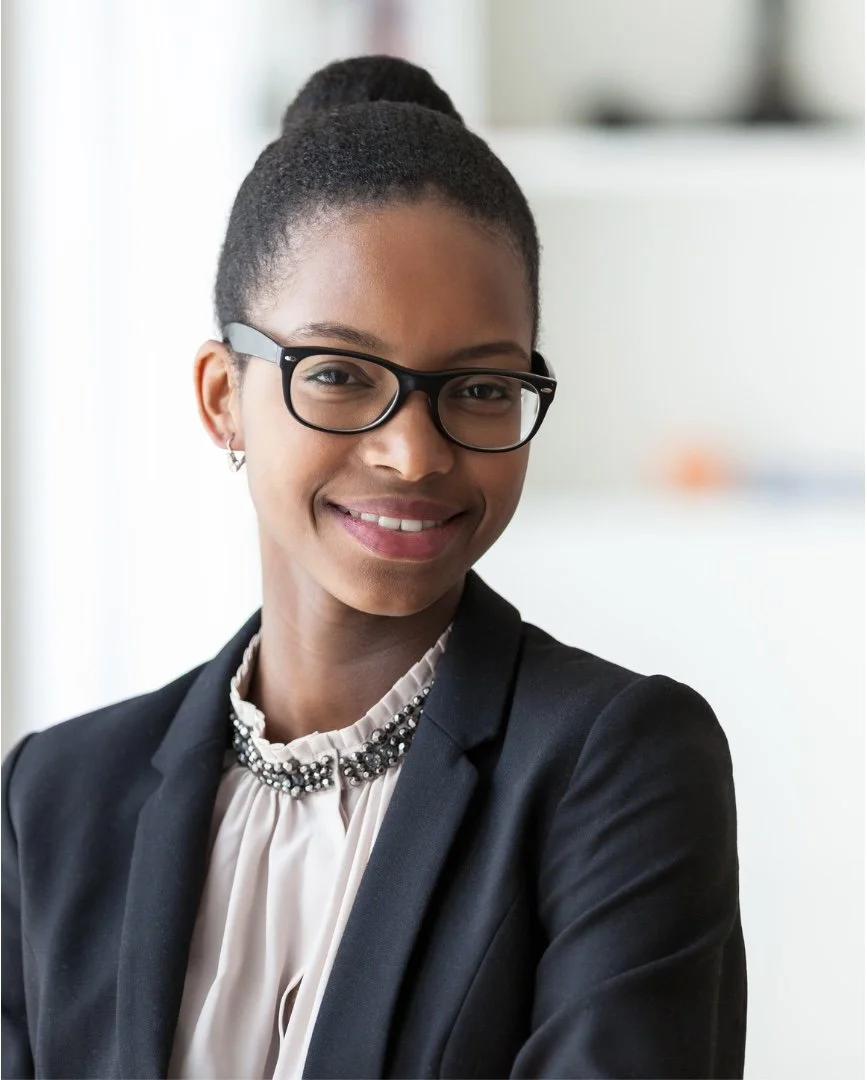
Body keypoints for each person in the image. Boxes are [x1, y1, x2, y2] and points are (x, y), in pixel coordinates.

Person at [1, 55, 746, 1080]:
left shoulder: (613, 767)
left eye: (481, 388)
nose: (415, 453)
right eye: (342, 375)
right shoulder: (55, 799)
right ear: (224, 395)